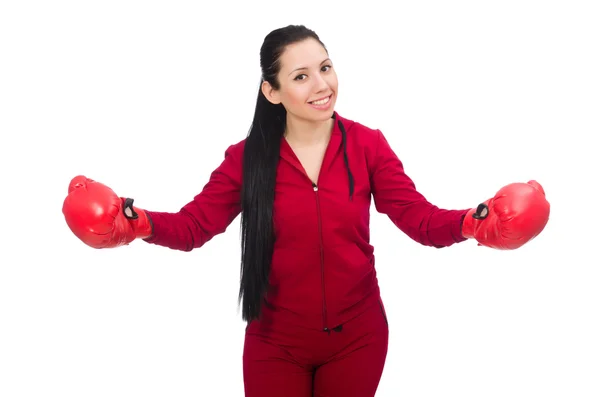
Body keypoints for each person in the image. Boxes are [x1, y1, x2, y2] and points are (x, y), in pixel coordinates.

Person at [62, 25, 550, 397]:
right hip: (276, 342)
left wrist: (474, 222)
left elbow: (418, 219)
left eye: (326, 66)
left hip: (358, 337)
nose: (322, 84)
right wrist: (137, 223)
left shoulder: (368, 146)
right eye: (301, 75)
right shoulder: (246, 158)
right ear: (272, 92)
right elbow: (194, 227)